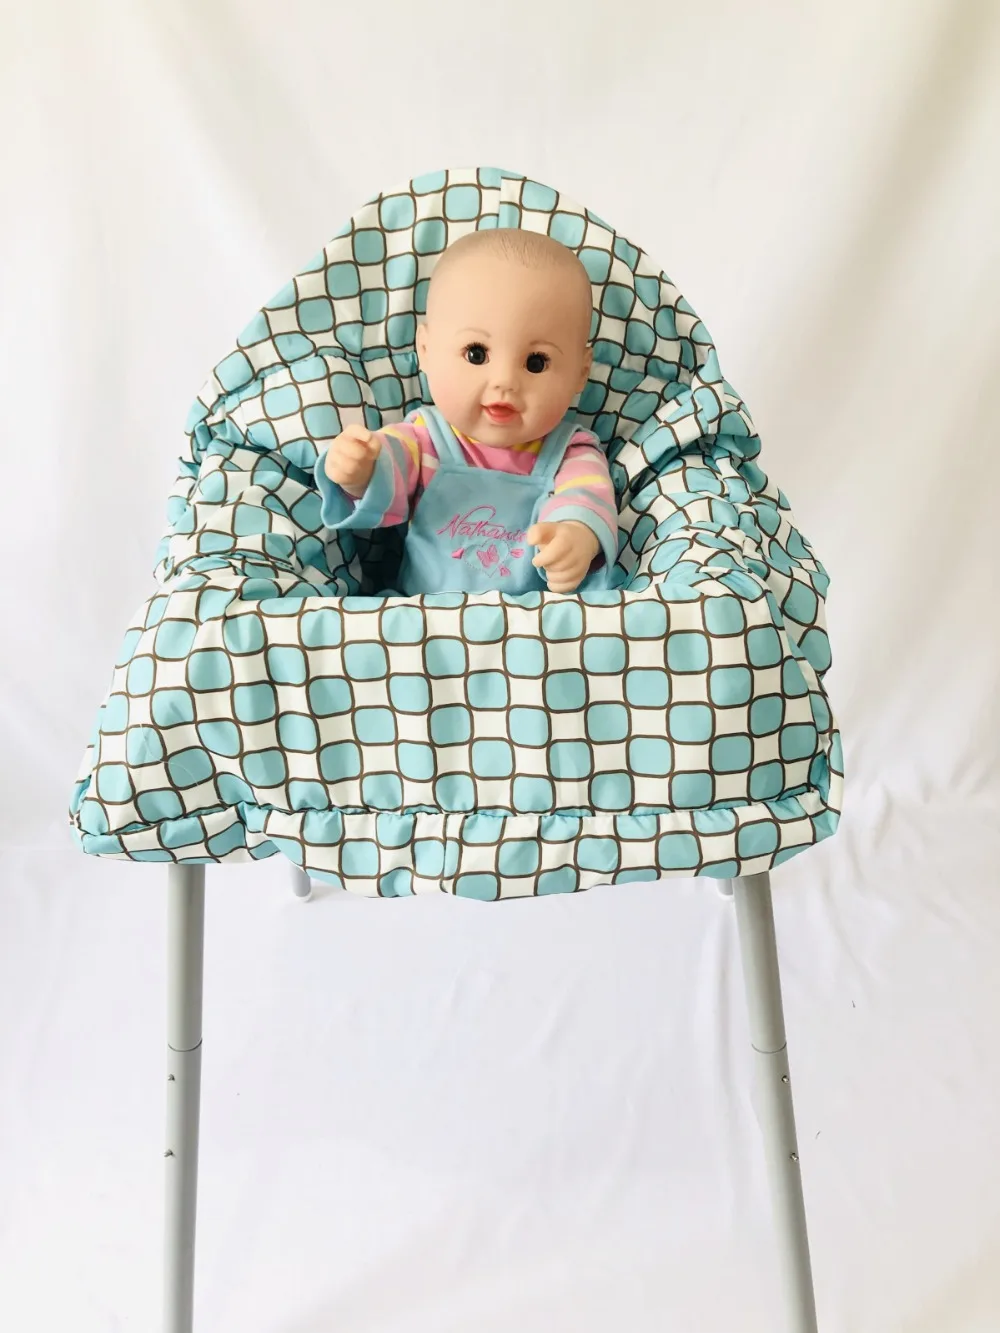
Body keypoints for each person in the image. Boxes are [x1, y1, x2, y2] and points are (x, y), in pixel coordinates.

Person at [314, 228, 618, 595]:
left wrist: (576, 537)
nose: (504, 381)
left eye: (536, 362)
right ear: (426, 350)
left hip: (532, 624)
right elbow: (388, 464)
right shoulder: (424, 439)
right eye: (476, 354)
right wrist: (359, 470)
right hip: (423, 617)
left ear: (581, 372)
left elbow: (586, 498)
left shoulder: (571, 453)